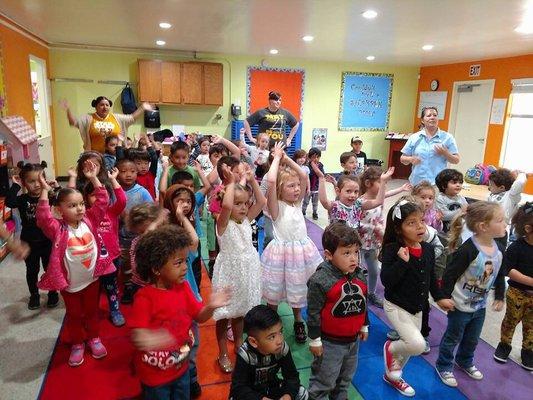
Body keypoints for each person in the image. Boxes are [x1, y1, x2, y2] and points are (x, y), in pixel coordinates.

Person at [129, 225, 230, 400]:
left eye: (185, 261)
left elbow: (199, 316)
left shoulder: (183, 287)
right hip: (155, 376)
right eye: (178, 262)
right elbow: (137, 335)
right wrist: (153, 338)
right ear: (156, 268)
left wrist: (212, 306)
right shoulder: (144, 298)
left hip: (181, 368)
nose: (185, 267)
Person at [36, 161, 110, 367]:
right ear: (59, 211)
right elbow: (42, 217)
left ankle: (94, 338)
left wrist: (94, 178)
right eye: (71, 205)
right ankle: (78, 343)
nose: (79, 208)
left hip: (92, 278)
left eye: (81, 204)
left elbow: (103, 201)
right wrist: (44, 191)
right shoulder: (57, 228)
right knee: (75, 315)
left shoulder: (90, 220)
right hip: (70, 283)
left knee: (92, 312)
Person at [380, 199, 453, 396]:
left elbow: (430, 278)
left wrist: (439, 298)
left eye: (421, 221)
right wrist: (403, 262)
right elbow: (387, 281)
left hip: (418, 306)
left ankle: (392, 375)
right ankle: (390, 348)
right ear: (399, 228)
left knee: (409, 349)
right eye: (411, 223)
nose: (419, 226)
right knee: (418, 345)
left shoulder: (428, 249)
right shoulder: (392, 250)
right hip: (396, 306)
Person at [435, 201, 507, 387]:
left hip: (479, 306)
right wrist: (444, 297)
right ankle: (444, 365)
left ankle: (465, 361)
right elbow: (450, 273)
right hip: (459, 305)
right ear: (483, 226)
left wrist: (499, 296)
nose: (505, 224)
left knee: (472, 339)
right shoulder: (469, 249)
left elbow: (499, 274)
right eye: (500, 220)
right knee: (453, 337)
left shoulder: (498, 250)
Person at [261, 142, 322, 343]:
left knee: (298, 287)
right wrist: (277, 158)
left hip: (300, 253)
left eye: (297, 186)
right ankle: (272, 321)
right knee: (274, 290)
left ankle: (297, 320)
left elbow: (304, 176)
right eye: (291, 186)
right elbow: (270, 181)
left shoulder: (296, 204)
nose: (297, 189)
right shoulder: (275, 206)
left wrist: (287, 159)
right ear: (280, 188)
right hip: (280, 253)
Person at [211, 163, 266, 373]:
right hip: (229, 272)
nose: (243, 208)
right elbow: (225, 207)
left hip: (247, 271)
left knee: (240, 314)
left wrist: (251, 179)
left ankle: (240, 346)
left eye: (245, 203)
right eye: (238, 204)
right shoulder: (223, 222)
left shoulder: (246, 220)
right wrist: (231, 183)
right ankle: (223, 352)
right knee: (224, 315)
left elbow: (261, 201)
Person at [307, 223, 369, 400]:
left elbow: (363, 302)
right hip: (329, 343)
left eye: (356, 252)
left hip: (353, 341)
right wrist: (315, 339)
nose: (353, 259)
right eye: (346, 253)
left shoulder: (359, 275)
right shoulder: (320, 280)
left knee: (345, 380)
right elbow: (313, 312)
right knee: (324, 381)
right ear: (328, 255)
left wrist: (364, 325)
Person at [7, 162, 58, 310]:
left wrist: (54, 187)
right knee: (32, 270)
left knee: (50, 269)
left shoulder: (49, 195)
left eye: (40, 179)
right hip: (29, 242)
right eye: (31, 181)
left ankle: (52, 292)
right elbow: (10, 202)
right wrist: (15, 185)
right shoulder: (23, 199)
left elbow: (63, 200)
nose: (37, 184)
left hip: (48, 241)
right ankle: (34, 295)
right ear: (24, 183)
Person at [358, 167, 411, 308]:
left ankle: (371, 293)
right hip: (358, 243)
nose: (384, 187)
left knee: (374, 270)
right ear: (368, 183)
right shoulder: (360, 201)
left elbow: (386, 194)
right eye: (381, 183)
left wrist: (401, 189)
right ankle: (355, 292)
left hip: (373, 243)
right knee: (356, 269)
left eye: (385, 183)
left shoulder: (378, 197)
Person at [229, 305, 308, 400]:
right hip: (251, 393)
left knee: (301, 392)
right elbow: (238, 388)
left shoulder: (281, 348)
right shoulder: (245, 354)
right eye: (272, 337)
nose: (280, 340)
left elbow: (292, 377)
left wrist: (288, 396)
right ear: (254, 342)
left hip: (271, 388)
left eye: (280, 332)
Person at [82, 167, 126, 327]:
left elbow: (122, 201)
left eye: (100, 195)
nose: (98, 198)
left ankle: (115, 310)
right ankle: (90, 313)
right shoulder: (86, 215)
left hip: (112, 257)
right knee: (92, 289)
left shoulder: (112, 212)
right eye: (92, 195)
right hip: (91, 260)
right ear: (86, 198)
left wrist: (114, 180)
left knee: (111, 286)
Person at [493, 202, 533, 370]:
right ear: (528, 229)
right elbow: (509, 270)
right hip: (517, 293)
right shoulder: (517, 247)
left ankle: (528, 351)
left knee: (531, 325)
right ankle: (504, 345)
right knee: (511, 321)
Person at [312, 162, 394, 229]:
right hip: (337, 245)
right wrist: (321, 178)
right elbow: (324, 201)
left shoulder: (358, 205)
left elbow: (378, 201)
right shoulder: (335, 206)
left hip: (352, 244)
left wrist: (383, 182)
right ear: (338, 191)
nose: (353, 195)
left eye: (356, 192)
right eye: (348, 191)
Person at [60, 97, 152, 153]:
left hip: (115, 155)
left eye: (107, 105)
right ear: (96, 106)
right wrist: (68, 110)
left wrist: (142, 108)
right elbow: (73, 122)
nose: (105, 107)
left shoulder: (117, 118)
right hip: (95, 155)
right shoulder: (88, 118)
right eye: (101, 105)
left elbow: (132, 118)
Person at [400, 107, 460, 185]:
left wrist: (445, 153)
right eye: (429, 115)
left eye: (435, 115)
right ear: (422, 120)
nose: (432, 117)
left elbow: (456, 160)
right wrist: (411, 159)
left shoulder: (447, 137)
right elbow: (402, 158)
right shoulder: (414, 137)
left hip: (437, 183)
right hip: (417, 182)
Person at [435, 169, 468, 233]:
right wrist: (461, 211)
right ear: (443, 185)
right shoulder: (440, 198)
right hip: (444, 232)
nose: (458, 185)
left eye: (460, 182)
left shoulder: (462, 198)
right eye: (454, 182)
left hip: (458, 230)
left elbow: (467, 211)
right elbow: (443, 216)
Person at [303, 147, 323, 220]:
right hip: (308, 188)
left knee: (315, 203)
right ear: (309, 157)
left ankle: (315, 213)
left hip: (316, 188)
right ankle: (303, 212)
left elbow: (321, 175)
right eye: (314, 157)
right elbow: (307, 176)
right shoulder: (307, 166)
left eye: (318, 157)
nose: (316, 159)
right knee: (305, 202)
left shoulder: (320, 165)